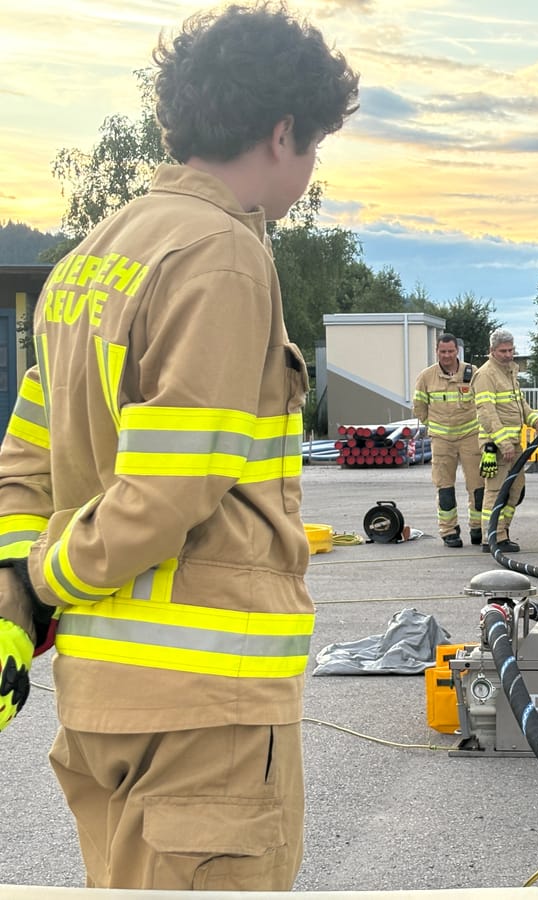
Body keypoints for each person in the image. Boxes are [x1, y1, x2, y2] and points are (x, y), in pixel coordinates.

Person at [0, 4, 359, 890]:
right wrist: (43, 581)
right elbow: (169, 489)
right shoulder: (223, 255)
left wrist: (15, 588)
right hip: (207, 713)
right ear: (281, 132)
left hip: (103, 701)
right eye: (313, 149)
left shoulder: (87, 260)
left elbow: (24, 463)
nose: (309, 174)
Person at [474, 328, 538, 553]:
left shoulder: (509, 372)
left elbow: (520, 406)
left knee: (515, 489)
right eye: (503, 351)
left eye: (511, 350)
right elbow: (487, 413)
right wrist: (504, 443)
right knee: (495, 491)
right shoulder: (486, 375)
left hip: (514, 444)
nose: (508, 355)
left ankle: (502, 532)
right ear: (492, 351)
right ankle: (490, 537)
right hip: (497, 445)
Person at [412, 333, 483, 547]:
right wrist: (433, 426)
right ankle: (449, 531)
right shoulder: (426, 377)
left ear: (457, 351)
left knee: (477, 486)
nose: (446, 355)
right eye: (442, 351)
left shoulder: (472, 373)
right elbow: (419, 407)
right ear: (437, 351)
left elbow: (483, 402)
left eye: (450, 351)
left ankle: (478, 527)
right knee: (445, 488)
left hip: (471, 437)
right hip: (442, 440)